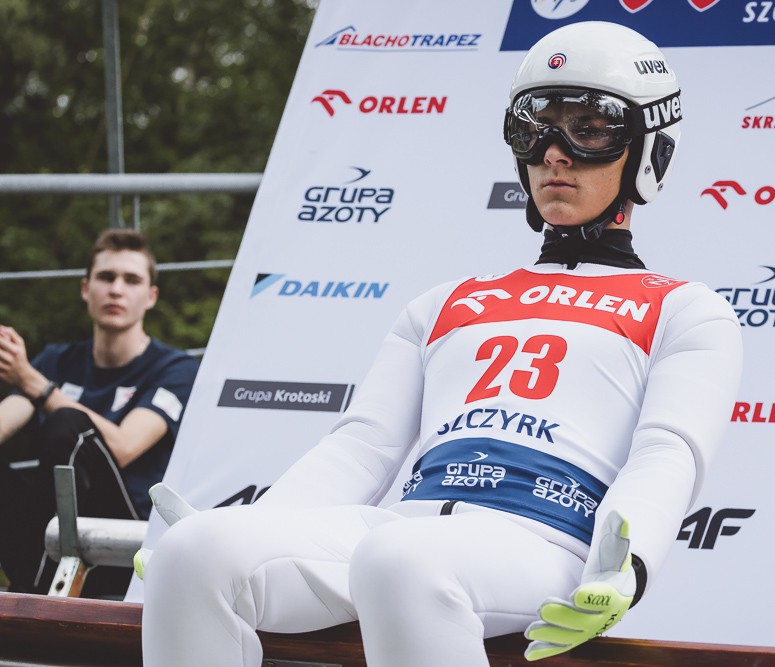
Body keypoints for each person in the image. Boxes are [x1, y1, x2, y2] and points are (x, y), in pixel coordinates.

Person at [140, 21, 742, 665]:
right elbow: (362, 446)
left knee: (400, 559)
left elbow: (667, 453)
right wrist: (248, 528)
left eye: (590, 129)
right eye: (534, 128)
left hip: (543, 541)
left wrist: (629, 562)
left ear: (649, 149)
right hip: (406, 529)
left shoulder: (686, 309)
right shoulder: (444, 301)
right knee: (194, 552)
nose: (554, 153)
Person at [0, 228, 199, 596]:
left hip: (125, 549)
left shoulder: (177, 370)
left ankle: (33, 595)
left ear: (151, 296)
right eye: (106, 277)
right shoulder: (57, 361)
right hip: (44, 540)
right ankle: (35, 586)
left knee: (69, 426)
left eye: (131, 280)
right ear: (85, 288)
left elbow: (124, 446)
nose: (116, 290)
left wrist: (36, 383)